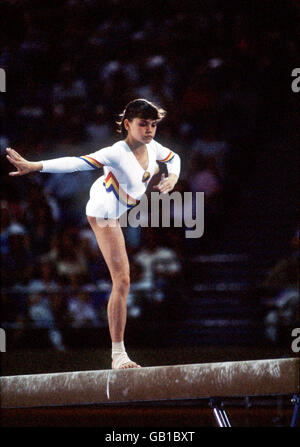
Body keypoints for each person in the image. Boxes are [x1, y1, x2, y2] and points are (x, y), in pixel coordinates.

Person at [6, 98, 181, 369]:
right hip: (104, 208)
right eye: (143, 124)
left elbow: (175, 157)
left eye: (153, 125)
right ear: (127, 124)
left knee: (155, 168)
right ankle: (118, 354)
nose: (149, 130)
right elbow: (76, 163)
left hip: (124, 201)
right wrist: (35, 166)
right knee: (122, 280)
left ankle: (148, 175)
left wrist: (173, 177)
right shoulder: (116, 152)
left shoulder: (153, 146)